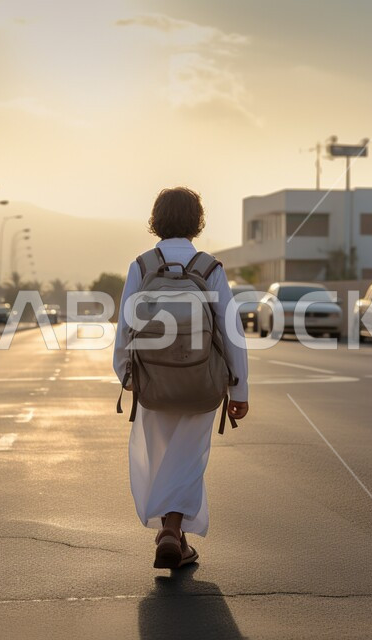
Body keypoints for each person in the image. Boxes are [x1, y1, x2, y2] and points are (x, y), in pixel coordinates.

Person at [113, 187, 249, 569]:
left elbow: (125, 326)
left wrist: (126, 373)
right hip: (202, 380)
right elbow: (231, 331)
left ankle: (171, 532)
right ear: (197, 222)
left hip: (153, 381)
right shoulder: (210, 268)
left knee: (159, 456)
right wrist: (239, 388)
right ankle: (173, 531)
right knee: (188, 456)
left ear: (156, 220)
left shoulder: (141, 266)